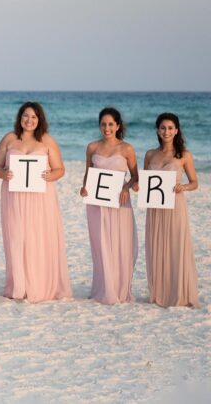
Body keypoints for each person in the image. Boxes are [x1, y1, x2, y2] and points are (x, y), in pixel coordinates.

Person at [0, 101, 71, 302]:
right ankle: (19, 285)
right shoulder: (10, 138)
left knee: (37, 237)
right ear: (20, 118)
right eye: (26, 116)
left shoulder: (47, 141)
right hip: (14, 195)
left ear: (39, 120)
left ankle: (39, 283)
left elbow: (60, 169)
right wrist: (4, 173)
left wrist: (49, 176)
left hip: (40, 197)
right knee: (17, 238)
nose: (29, 120)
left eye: (34, 117)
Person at [79, 107, 138, 305]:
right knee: (101, 244)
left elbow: (135, 176)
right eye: (103, 124)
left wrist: (127, 187)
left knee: (120, 244)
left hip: (120, 203)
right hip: (96, 203)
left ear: (118, 126)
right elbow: (88, 173)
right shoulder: (92, 147)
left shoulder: (126, 149)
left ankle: (120, 288)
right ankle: (103, 287)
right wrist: (84, 188)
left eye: (111, 124)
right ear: (99, 125)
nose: (107, 128)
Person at [142, 113, 199, 308]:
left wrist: (183, 187)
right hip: (155, 208)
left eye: (170, 128)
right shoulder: (150, 154)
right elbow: (145, 182)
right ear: (157, 130)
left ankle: (178, 292)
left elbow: (194, 183)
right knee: (156, 246)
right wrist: (136, 187)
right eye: (163, 128)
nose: (166, 131)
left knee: (175, 246)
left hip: (175, 206)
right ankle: (159, 292)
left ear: (176, 130)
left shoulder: (184, 155)